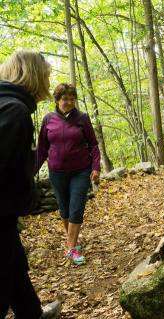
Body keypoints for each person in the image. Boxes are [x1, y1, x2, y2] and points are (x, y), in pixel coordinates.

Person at [0, 50, 62, 318]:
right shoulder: (14, 110)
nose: (48, 82)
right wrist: (26, 198)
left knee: (16, 271)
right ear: (34, 75)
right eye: (46, 75)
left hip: (4, 217)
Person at [35, 83, 101, 265]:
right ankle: (73, 240)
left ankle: (71, 248)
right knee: (64, 209)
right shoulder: (48, 120)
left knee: (76, 207)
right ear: (57, 100)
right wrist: (32, 171)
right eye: (65, 99)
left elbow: (93, 145)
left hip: (80, 171)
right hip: (57, 172)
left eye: (72, 99)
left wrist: (96, 167)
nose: (69, 102)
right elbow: (42, 148)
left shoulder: (82, 118)